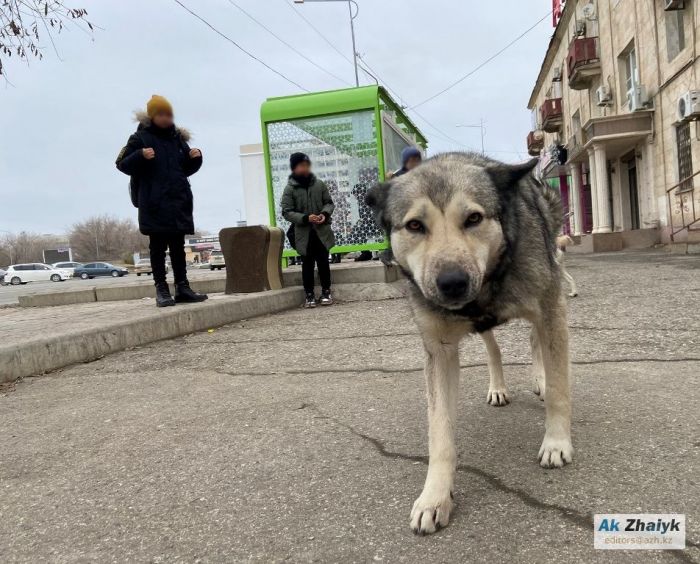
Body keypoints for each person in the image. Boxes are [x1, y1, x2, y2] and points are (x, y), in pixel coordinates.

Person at [116, 94, 208, 307]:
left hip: (178, 201)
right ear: (152, 116)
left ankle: (183, 287)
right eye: (161, 114)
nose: (166, 118)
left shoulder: (177, 139)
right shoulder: (140, 138)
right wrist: (140, 155)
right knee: (157, 248)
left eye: (169, 114)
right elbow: (121, 163)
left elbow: (184, 170)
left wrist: (195, 158)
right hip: (154, 203)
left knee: (178, 247)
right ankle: (162, 289)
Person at [281, 152, 335, 308]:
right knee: (307, 264)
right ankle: (309, 295)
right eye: (300, 165)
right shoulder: (289, 189)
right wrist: (305, 218)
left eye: (306, 164)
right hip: (303, 234)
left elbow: (329, 203)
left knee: (324, 262)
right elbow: (286, 211)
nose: (304, 168)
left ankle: (326, 291)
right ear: (294, 168)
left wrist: (324, 214)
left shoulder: (319, 184)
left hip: (321, 232)